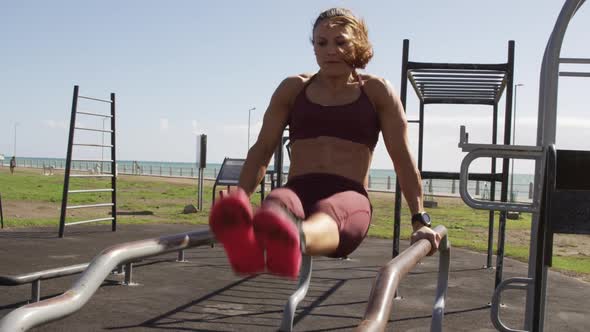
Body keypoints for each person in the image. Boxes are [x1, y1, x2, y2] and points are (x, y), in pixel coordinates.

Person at [210, 7, 441, 279]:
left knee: (328, 212)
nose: (331, 50)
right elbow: (262, 149)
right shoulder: (293, 89)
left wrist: (419, 219)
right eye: (322, 43)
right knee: (278, 202)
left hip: (348, 197)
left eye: (340, 42)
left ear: (359, 43)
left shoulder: (377, 92)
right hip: (297, 190)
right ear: (314, 48)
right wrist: (240, 197)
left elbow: (402, 159)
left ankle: (287, 241)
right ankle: (259, 242)